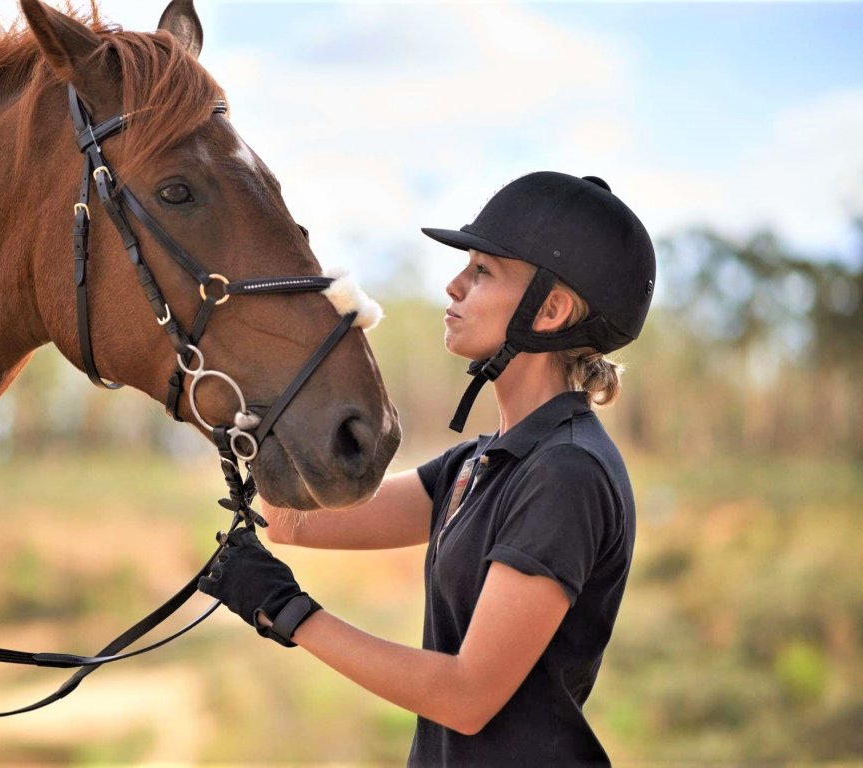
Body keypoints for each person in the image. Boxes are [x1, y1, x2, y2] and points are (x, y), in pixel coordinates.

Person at [199, 171, 656, 766]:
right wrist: (256, 376)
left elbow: (468, 696)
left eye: (483, 271)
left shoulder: (566, 472)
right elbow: (291, 522)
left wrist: (291, 614)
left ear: (550, 310)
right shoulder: (481, 463)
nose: (454, 284)